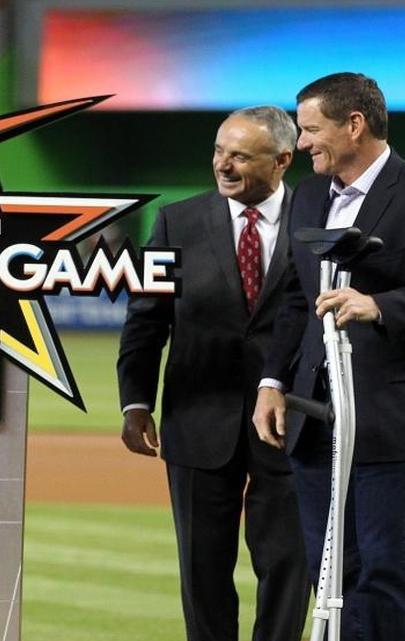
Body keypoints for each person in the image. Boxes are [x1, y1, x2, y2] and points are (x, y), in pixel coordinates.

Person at [253, 73, 405, 641]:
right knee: (333, 569)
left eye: (312, 129)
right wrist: (271, 380)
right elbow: (295, 296)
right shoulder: (309, 196)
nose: (303, 143)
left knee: (387, 571)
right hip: (315, 420)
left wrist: (379, 306)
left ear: (354, 125)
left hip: (394, 417)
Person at [117, 106, 309, 641]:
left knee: (288, 562)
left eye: (240, 156)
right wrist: (135, 401)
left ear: (283, 161)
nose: (223, 165)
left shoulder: (317, 221)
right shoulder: (177, 221)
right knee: (202, 568)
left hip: (291, 422)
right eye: (219, 151)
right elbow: (146, 321)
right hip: (196, 417)